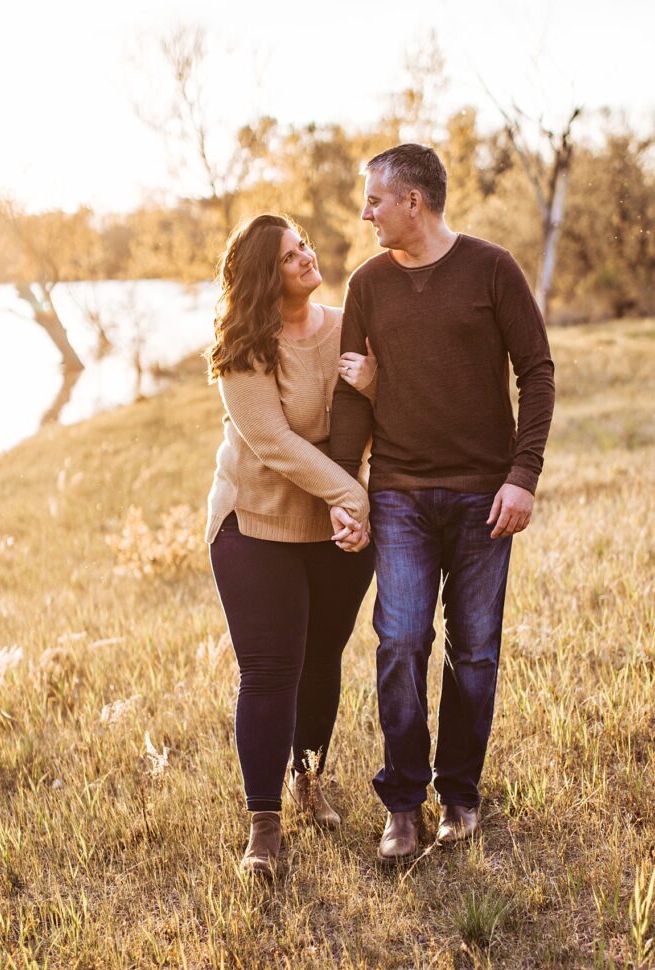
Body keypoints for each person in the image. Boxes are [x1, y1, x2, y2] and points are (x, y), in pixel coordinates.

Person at [329, 144, 555, 863]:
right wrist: (345, 492)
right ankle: (402, 802)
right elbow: (349, 395)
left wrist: (523, 475)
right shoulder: (367, 284)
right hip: (397, 492)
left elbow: (537, 372)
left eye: (373, 200)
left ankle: (459, 794)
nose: (365, 212)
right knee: (399, 641)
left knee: (475, 652)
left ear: (412, 202)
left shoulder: (491, 269)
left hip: (485, 495)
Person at [206, 214, 376, 880]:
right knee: (272, 671)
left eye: (303, 244)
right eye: (287, 255)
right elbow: (272, 443)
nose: (306, 256)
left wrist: (374, 386)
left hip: (338, 531)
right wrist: (353, 497)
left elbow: (375, 413)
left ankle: (308, 780)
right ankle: (264, 825)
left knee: (322, 660)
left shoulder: (347, 327)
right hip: (256, 525)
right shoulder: (243, 345)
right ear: (260, 277)